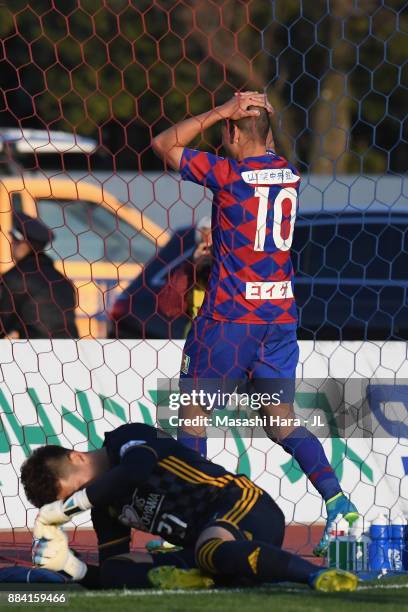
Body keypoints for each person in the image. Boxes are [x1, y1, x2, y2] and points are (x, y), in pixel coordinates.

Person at [152, 91, 358, 556]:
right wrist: (255, 114)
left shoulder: (229, 175)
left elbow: (164, 143)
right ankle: (338, 502)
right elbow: (261, 145)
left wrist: (222, 109)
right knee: (278, 418)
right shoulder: (289, 172)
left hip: (230, 318)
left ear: (230, 133)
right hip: (279, 318)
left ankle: (186, 523)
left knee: (194, 414)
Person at [20, 422, 357, 592]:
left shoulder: (126, 439)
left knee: (210, 549)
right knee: (118, 568)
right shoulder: (104, 506)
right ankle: (203, 577)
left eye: (76, 490)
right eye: (72, 501)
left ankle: (314, 575)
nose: (81, 501)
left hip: (245, 506)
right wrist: (69, 565)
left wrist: (68, 508)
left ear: (77, 458)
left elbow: (133, 472)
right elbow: (109, 576)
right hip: (211, 546)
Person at [0, 213, 78, 338]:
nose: (12, 244)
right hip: (70, 351)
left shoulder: (15, 278)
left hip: (34, 352)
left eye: (14, 240)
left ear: (24, 244)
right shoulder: (62, 280)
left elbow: (3, 324)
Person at [157, 217, 212, 336]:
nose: (208, 252)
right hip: (197, 342)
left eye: (213, 248)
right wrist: (192, 266)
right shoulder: (189, 271)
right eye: (205, 248)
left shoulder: (232, 270)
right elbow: (168, 308)